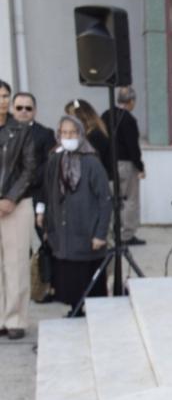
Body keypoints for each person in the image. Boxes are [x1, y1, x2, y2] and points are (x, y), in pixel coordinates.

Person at [34, 115, 112, 316]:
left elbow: (105, 200)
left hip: (86, 232)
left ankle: (90, 312)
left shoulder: (91, 162)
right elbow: (47, 189)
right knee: (68, 277)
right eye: (64, 133)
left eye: (72, 133)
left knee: (88, 278)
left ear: (81, 134)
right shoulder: (55, 159)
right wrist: (42, 214)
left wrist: (100, 233)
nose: (68, 137)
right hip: (63, 233)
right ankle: (75, 310)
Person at [11, 92, 56, 303]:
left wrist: (25, 182)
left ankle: (48, 286)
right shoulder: (5, 132)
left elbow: (48, 165)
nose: (23, 112)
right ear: (13, 109)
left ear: (35, 111)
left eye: (28, 108)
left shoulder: (45, 134)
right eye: (19, 107)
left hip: (36, 195)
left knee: (45, 243)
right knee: (17, 249)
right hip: (10, 201)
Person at [0, 80, 36, 339]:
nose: (1, 101)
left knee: (16, 263)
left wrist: (10, 198)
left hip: (17, 204)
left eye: (5, 96)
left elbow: (30, 168)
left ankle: (15, 320)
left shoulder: (22, 130)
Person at [104, 86, 146, 245]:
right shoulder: (128, 119)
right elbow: (132, 146)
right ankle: (126, 235)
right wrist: (140, 166)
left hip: (108, 164)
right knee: (129, 200)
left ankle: (110, 233)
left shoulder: (106, 115)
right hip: (126, 164)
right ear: (131, 101)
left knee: (111, 199)